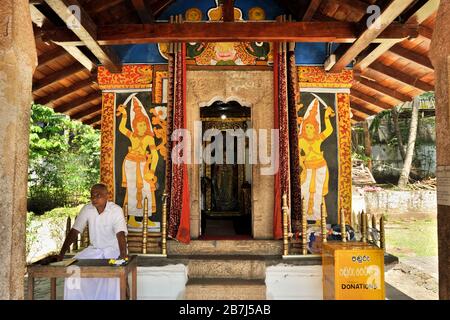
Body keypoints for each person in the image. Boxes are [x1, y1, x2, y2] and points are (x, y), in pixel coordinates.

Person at [54, 183, 128, 300]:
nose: (94, 198)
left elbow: (121, 234)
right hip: (95, 250)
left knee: (114, 272)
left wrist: (123, 256)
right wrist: (61, 253)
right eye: (92, 195)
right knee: (73, 267)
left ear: (107, 196)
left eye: (98, 195)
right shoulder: (87, 209)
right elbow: (74, 231)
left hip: (113, 250)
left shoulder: (116, 210)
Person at [117, 97, 159, 229]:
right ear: (135, 125)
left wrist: (151, 172)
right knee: (132, 189)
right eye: (140, 124)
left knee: (147, 188)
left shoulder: (149, 138)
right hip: (130, 163)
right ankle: (132, 218)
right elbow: (122, 128)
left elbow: (155, 155)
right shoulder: (133, 135)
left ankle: (146, 217)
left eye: (144, 124)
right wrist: (124, 115)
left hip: (143, 165)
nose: (143, 126)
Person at [298, 98, 335, 222]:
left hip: (320, 167)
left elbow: (329, 130)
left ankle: (319, 218)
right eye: (307, 127)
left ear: (315, 128)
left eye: (311, 127)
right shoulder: (300, 140)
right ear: (304, 128)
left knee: (318, 192)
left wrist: (326, 116)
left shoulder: (318, 138)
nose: (309, 130)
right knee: (304, 191)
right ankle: (304, 217)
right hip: (307, 168)